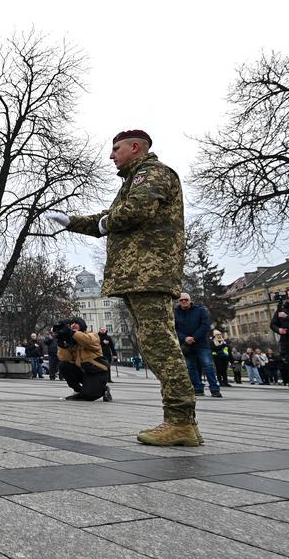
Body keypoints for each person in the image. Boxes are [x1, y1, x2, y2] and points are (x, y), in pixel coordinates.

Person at [46, 129, 199, 447]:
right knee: (156, 344)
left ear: (135, 147)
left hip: (149, 272)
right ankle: (181, 422)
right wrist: (72, 221)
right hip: (139, 275)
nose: (111, 155)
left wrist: (102, 224)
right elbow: (113, 216)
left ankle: (181, 422)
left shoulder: (153, 173)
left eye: (116, 149)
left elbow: (134, 212)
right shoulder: (135, 180)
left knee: (161, 346)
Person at [174, 293, 221, 398]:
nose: (184, 301)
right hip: (186, 345)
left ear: (190, 300)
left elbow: (205, 325)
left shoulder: (200, 310)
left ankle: (214, 389)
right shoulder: (175, 313)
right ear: (178, 302)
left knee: (208, 365)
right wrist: (184, 338)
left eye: (186, 299)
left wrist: (194, 337)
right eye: (181, 300)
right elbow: (174, 329)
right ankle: (198, 388)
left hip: (201, 343)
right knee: (191, 367)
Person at [54, 317, 112, 402]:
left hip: (97, 371)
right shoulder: (72, 341)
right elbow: (64, 358)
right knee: (64, 365)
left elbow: (88, 341)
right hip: (84, 371)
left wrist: (72, 333)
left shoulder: (92, 335)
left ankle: (104, 389)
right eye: (71, 324)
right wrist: (62, 344)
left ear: (82, 325)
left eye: (76, 323)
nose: (73, 325)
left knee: (89, 396)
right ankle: (79, 391)